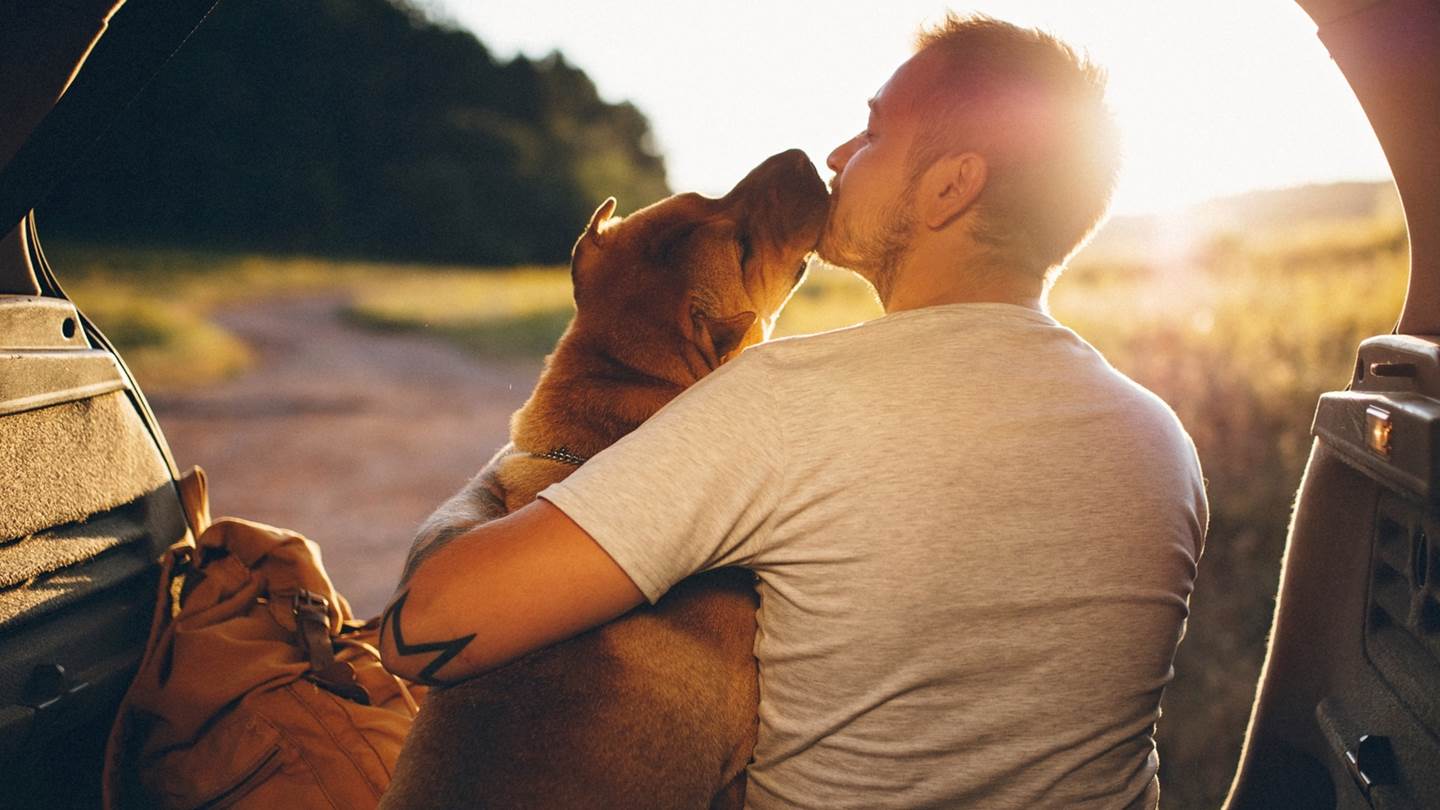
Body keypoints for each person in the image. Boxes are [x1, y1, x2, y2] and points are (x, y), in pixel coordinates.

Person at [382, 13, 1207, 809]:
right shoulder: (1161, 440)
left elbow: (421, 630)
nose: (839, 153)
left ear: (953, 184)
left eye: (874, 134)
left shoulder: (786, 401)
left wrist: (507, 476)